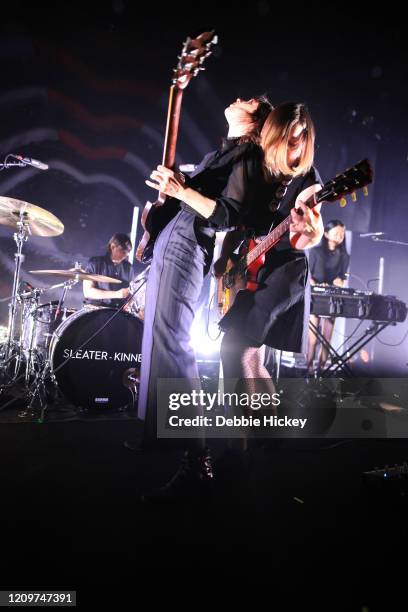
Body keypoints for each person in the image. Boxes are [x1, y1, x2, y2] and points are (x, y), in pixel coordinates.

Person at [139, 95, 273, 500]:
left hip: (189, 243)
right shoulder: (220, 154)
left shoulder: (248, 157)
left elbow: (228, 214)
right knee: (158, 341)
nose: (236, 98)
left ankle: (198, 459)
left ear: (255, 121)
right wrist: (169, 193)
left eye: (249, 100)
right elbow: (181, 201)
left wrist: (181, 189)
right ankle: (163, 438)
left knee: (173, 343)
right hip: (173, 237)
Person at [216, 102, 324, 411]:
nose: (296, 147)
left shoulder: (308, 179)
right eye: (288, 140)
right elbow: (241, 226)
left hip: (285, 271)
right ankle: (264, 431)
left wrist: (313, 233)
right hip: (254, 267)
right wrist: (225, 257)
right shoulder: (258, 171)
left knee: (237, 345)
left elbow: (305, 235)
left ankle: (246, 436)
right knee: (248, 354)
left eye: (301, 139)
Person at [307, 219, 350, 373]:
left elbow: (342, 277)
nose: (340, 236)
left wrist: (340, 280)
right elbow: (309, 275)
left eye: (342, 234)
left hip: (333, 297)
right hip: (316, 295)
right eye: (337, 233)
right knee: (312, 338)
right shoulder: (315, 251)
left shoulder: (344, 255)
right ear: (326, 233)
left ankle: (322, 370)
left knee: (327, 338)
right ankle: (309, 369)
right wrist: (315, 284)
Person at [83, 233, 132, 308]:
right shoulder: (95, 263)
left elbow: (130, 293)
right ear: (112, 247)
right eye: (124, 250)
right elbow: (88, 292)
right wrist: (116, 294)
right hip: (96, 310)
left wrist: (130, 302)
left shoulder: (129, 268)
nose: (127, 254)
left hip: (117, 312)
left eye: (129, 251)